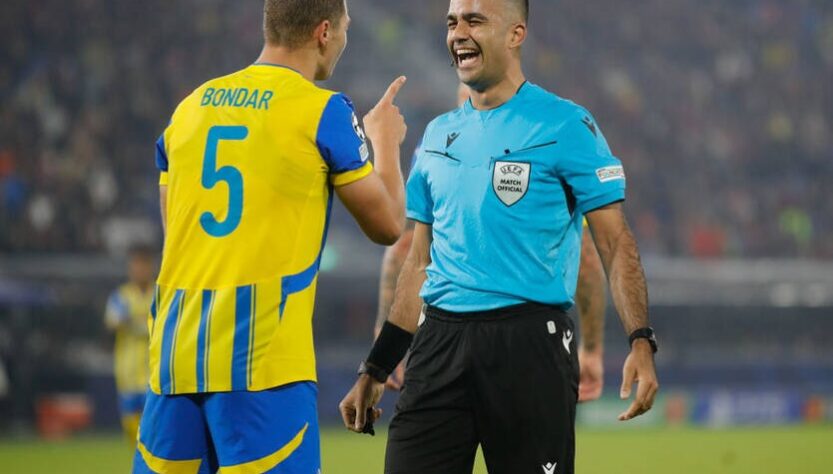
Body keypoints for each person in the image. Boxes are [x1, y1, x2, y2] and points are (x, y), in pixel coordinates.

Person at [340, 1, 659, 473]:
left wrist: (640, 340)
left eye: (475, 20)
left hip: (529, 345)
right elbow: (418, 263)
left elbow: (613, 245)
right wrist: (376, 366)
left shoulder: (566, 125)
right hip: (438, 345)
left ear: (515, 34)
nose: (458, 33)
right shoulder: (437, 136)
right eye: (452, 22)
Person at [134, 0, 408, 472]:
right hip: (263, 364)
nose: (344, 41)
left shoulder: (190, 108)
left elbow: (173, 226)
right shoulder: (321, 110)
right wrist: (383, 139)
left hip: (175, 361)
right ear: (324, 31)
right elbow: (387, 226)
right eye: (345, 29)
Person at [375, 85, 608, 400]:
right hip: (528, 335)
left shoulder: (437, 144)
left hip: (444, 337)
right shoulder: (543, 140)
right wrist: (591, 349)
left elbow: (404, 248)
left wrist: (387, 336)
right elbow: (587, 260)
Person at [104, 244, 156, 445]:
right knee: (131, 429)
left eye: (143, 265)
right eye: (136, 265)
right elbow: (113, 321)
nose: (139, 270)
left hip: (154, 370)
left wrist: (132, 320)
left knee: (152, 426)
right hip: (128, 371)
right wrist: (144, 321)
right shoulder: (121, 296)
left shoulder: (159, 293)